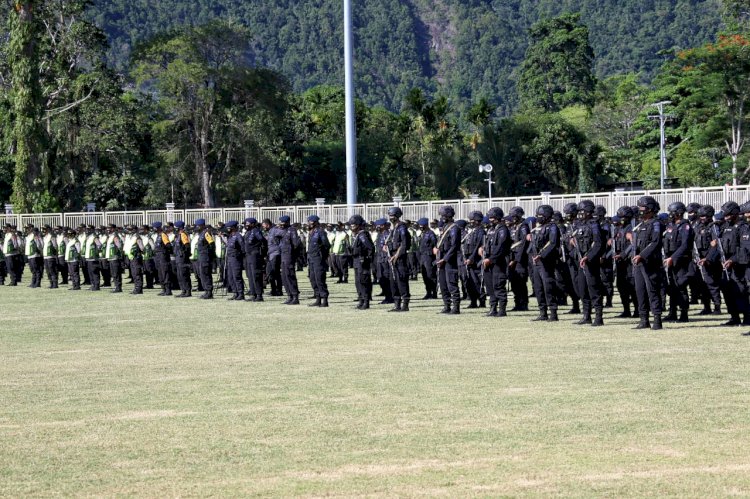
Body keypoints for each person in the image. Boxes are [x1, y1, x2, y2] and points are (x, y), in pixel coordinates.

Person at [632, 196, 664, 330]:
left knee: (652, 290)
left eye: (643, 208)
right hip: (639, 263)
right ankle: (643, 319)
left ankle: (657, 320)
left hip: (651, 262)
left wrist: (642, 255)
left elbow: (655, 243)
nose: (640, 211)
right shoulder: (641, 224)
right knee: (640, 290)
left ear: (650, 209)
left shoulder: (656, 223)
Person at [572, 201, 606, 326]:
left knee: (594, 288)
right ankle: (586, 315)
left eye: (583, 211)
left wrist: (588, 257)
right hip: (581, 261)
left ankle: (598, 316)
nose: (580, 214)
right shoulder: (579, 225)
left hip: (591, 261)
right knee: (582, 288)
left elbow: (598, 243)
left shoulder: (594, 224)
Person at [663, 202, 694, 323]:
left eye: (673, 212)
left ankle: (684, 314)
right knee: (672, 287)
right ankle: (672, 312)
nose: (671, 214)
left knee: (681, 287)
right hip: (670, 260)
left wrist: (673, 258)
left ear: (679, 213)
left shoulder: (685, 226)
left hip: (682, 261)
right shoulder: (671, 225)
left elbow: (685, 245)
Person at [530, 205, 560, 321]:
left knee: (548, 286)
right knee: (538, 287)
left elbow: (552, 243)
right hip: (536, 261)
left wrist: (541, 255)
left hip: (546, 261)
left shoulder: (552, 227)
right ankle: (542, 312)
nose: (538, 218)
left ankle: (553, 312)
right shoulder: (538, 228)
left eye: (541, 216)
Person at [482, 207, 511, 317]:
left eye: (493, 217)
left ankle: (502, 310)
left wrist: (491, 259)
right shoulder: (491, 229)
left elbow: (501, 247)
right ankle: (493, 308)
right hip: (488, 262)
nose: (491, 220)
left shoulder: (502, 229)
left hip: (498, 262)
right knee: (490, 287)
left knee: (498, 285)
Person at [436, 206, 462, 314]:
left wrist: (445, 259)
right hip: (442, 259)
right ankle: (446, 305)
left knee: (451, 283)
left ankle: (456, 307)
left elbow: (454, 246)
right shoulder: (445, 227)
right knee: (443, 284)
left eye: (443, 216)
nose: (442, 218)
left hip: (450, 260)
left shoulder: (454, 228)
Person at [385, 207, 411, 312]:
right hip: (392, 258)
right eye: (390, 216)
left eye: (392, 216)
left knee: (401, 280)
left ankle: (405, 304)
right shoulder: (394, 228)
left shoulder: (402, 228)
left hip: (399, 259)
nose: (391, 218)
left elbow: (404, 244)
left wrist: (396, 256)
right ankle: (397, 304)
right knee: (393, 282)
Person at [349, 215, 375, 309]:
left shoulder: (363, 234)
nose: (352, 227)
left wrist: (366, 258)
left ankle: (366, 301)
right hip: (356, 260)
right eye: (351, 225)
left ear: (359, 225)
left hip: (362, 261)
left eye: (354, 225)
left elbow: (370, 248)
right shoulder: (357, 235)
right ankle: (361, 300)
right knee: (358, 282)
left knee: (364, 281)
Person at [507, 207, 530, 311]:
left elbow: (523, 244)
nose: (513, 218)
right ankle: (517, 303)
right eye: (512, 216)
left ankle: (523, 303)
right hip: (512, 258)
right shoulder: (514, 227)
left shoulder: (523, 227)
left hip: (520, 260)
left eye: (515, 216)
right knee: (514, 282)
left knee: (520, 282)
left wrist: (516, 260)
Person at [306, 215, 331, 307]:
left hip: (318, 259)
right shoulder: (311, 232)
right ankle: (318, 298)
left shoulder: (320, 232)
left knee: (320, 279)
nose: (309, 224)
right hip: (311, 258)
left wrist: (322, 256)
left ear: (316, 223)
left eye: (311, 222)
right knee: (313, 279)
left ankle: (324, 300)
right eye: (308, 222)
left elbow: (327, 245)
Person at [464, 211, 486, 309]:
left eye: (472, 220)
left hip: (476, 260)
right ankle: (473, 301)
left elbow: (477, 246)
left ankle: (481, 301)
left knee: (477, 281)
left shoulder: (481, 231)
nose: (471, 222)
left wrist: (471, 258)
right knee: (470, 281)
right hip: (469, 259)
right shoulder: (472, 231)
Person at [278, 215, 301, 304]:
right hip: (283, 255)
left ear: (287, 222)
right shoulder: (282, 231)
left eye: (283, 223)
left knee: (290, 275)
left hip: (289, 256)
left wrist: (293, 255)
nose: (281, 225)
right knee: (284, 276)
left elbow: (295, 244)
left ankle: (295, 296)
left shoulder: (292, 230)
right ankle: (289, 295)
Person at [243, 217, 267, 302]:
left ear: (252, 224)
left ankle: (259, 295)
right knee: (250, 275)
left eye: (247, 224)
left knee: (256, 275)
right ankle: (253, 294)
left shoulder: (256, 231)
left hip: (255, 255)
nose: (246, 225)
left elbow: (263, 241)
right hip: (248, 255)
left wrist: (262, 252)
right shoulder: (248, 232)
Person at [194, 218, 216, 299]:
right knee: (202, 274)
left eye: (198, 226)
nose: (197, 227)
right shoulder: (201, 234)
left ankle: (209, 292)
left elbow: (212, 244)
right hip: (201, 257)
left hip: (205, 257)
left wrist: (209, 254)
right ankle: (206, 291)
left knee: (206, 274)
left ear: (202, 226)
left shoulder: (206, 233)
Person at [417, 218, 437, 299]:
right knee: (424, 275)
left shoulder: (431, 233)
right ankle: (428, 292)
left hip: (429, 257)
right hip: (422, 256)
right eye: (420, 226)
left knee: (430, 275)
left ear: (426, 225)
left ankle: (434, 292)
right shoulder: (422, 234)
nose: (421, 228)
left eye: (422, 226)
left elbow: (435, 244)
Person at [225, 220, 245, 301]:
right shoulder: (230, 236)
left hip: (236, 259)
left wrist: (240, 256)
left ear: (233, 228)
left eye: (229, 227)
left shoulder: (238, 236)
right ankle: (235, 293)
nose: (228, 229)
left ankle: (240, 293)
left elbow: (243, 247)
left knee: (237, 276)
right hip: (229, 258)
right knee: (230, 277)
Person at [153, 222, 174, 296]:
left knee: (165, 273)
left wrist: (167, 253)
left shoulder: (163, 235)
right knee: (160, 273)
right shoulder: (158, 235)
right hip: (158, 257)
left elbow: (168, 245)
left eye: (154, 227)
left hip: (163, 257)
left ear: (158, 228)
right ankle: (163, 289)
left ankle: (168, 290)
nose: (153, 229)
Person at [173, 221, 192, 298]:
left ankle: (187, 291)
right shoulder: (178, 235)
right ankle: (183, 290)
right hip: (178, 257)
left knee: (184, 274)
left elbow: (187, 245)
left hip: (182, 258)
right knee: (180, 275)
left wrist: (184, 254)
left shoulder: (183, 235)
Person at [103, 224, 124, 293]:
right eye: (108, 228)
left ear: (114, 229)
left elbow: (119, 246)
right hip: (111, 258)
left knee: (116, 273)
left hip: (115, 257)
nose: (108, 229)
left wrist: (118, 255)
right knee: (113, 273)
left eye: (110, 228)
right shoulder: (110, 236)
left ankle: (118, 287)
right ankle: (116, 286)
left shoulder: (115, 236)